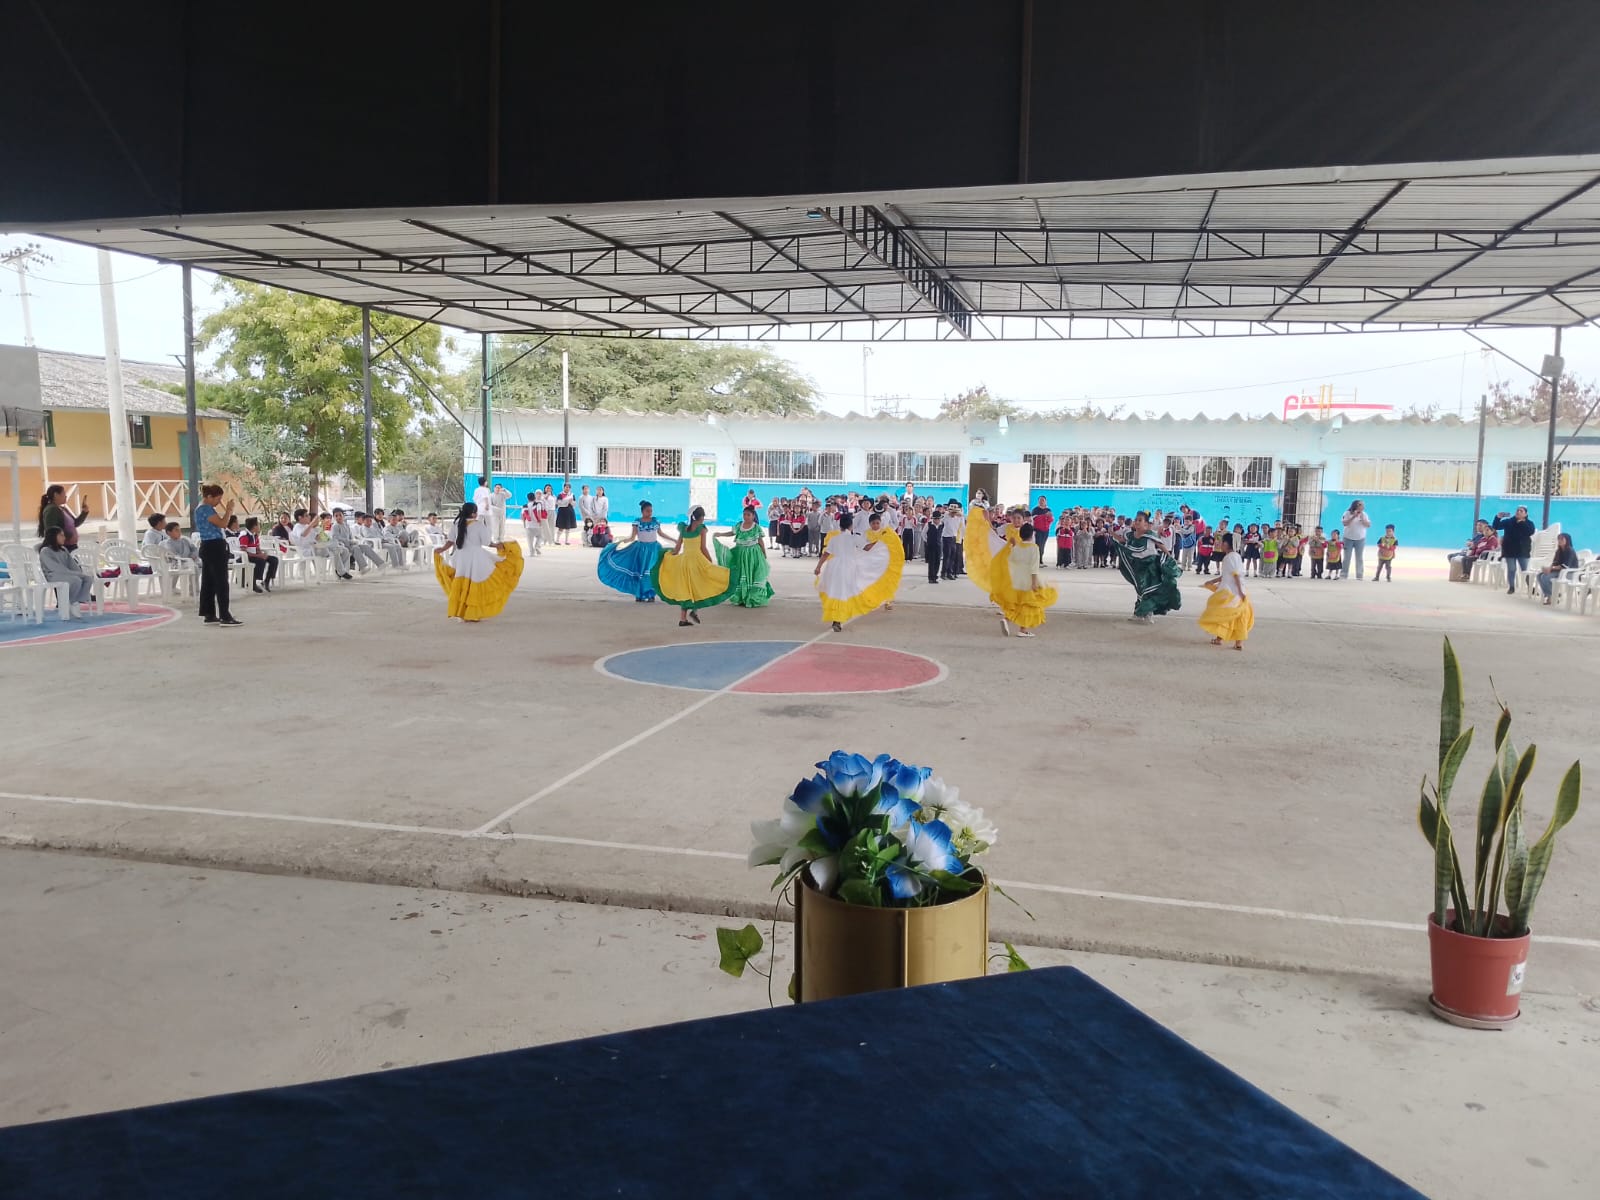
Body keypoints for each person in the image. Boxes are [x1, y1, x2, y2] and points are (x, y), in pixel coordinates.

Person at [814, 510, 905, 633]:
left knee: (836, 592)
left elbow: (826, 554)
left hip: (833, 567)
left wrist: (818, 567)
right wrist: (880, 542)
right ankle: (839, 618)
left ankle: (837, 619)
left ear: (840, 525)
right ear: (851, 526)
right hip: (848, 567)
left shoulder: (834, 539)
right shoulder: (853, 538)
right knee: (845, 592)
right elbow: (867, 548)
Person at [434, 501, 524, 622]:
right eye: (476, 512)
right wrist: (499, 545)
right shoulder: (478, 525)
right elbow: (486, 542)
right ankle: (472, 613)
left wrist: (441, 549)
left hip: (460, 557)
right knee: (476, 584)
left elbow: (450, 541)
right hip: (476, 557)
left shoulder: (457, 523)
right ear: (473, 514)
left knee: (463, 585)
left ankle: (462, 612)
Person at [652, 506, 731, 627]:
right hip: (696, 561)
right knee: (699, 584)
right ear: (701, 517)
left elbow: (677, 548)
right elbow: (703, 548)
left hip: (684, 562)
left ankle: (684, 618)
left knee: (686, 588)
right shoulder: (702, 529)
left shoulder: (684, 529)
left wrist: (668, 555)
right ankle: (694, 611)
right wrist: (709, 560)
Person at [991, 514, 1058, 637]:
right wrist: (1034, 582)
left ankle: (1007, 619)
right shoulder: (1034, 548)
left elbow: (1011, 560)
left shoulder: (1016, 548)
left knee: (1018, 602)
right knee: (1028, 604)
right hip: (1029, 579)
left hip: (1017, 579)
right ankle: (1023, 630)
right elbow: (1034, 566)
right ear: (1032, 535)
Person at [1112, 511, 1183, 624]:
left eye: (1140, 520)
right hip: (1138, 566)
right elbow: (1123, 541)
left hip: (1150, 566)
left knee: (1147, 589)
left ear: (1146, 523)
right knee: (1140, 589)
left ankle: (1147, 612)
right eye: (1136, 520)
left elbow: (1161, 545)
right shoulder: (1130, 535)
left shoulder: (1150, 534)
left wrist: (1170, 557)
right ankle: (1140, 612)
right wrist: (1112, 534)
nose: (1137, 522)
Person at [193, 484, 240, 627]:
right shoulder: (206, 509)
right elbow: (223, 524)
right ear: (209, 497)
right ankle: (225, 615)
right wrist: (229, 510)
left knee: (209, 581)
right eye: (217, 499)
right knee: (221, 581)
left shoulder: (200, 508)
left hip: (208, 546)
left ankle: (209, 614)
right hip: (214, 546)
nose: (219, 502)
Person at [1197, 533, 1254, 651]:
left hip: (1231, 592)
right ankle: (1237, 642)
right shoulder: (1235, 556)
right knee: (1236, 616)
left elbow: (1236, 575)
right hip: (1237, 590)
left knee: (1224, 614)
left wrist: (1239, 592)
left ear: (1227, 544)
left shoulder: (1229, 557)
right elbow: (1227, 575)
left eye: (1222, 542)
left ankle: (1221, 639)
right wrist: (1212, 581)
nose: (1219, 544)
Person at [713, 506, 774, 608]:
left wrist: (764, 553)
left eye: (748, 515)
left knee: (752, 573)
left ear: (753, 516)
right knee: (741, 574)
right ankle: (740, 596)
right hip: (740, 554)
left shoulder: (756, 527)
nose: (746, 517)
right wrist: (720, 534)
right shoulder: (739, 525)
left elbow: (760, 541)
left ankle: (752, 596)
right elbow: (732, 533)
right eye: (744, 514)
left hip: (753, 554)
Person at [36, 526, 98, 619]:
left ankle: (75, 600)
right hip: (53, 575)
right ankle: (73, 602)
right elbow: (55, 568)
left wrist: (80, 573)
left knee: (88, 579)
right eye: (61, 535)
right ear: (53, 536)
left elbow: (72, 565)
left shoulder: (64, 550)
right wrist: (76, 574)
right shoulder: (45, 551)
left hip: (67, 574)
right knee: (76, 580)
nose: (64, 538)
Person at [1492, 505, 1537, 594]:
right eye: (1517, 510)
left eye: (1521, 511)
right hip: (1509, 550)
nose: (1518, 512)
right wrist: (1498, 517)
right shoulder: (1509, 521)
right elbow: (1496, 526)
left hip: (1523, 551)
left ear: (1525, 514)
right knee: (1511, 569)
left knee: (1525, 570)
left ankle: (1530, 587)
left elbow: (1531, 532)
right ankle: (1511, 587)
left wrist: (1522, 523)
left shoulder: (1529, 523)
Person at [36, 484, 90, 552]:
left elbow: (75, 523)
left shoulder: (62, 509)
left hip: (71, 546)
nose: (66, 496)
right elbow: (51, 530)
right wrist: (67, 536)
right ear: (56, 495)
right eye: (64, 493)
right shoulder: (51, 510)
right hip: (62, 548)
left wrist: (84, 512)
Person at [1536, 533, 1580, 605]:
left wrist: (1551, 568)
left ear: (1567, 540)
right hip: (1560, 571)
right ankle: (1549, 596)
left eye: (1562, 539)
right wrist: (1548, 568)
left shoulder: (1570, 550)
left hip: (1569, 573)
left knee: (1545, 577)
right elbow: (1555, 562)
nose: (1559, 541)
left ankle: (1553, 597)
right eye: (1558, 539)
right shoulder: (1558, 551)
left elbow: (1565, 566)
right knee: (1539, 575)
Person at [239, 517, 278, 593]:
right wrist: (259, 556)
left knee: (274, 560)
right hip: (246, 557)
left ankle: (266, 581)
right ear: (254, 526)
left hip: (255, 555)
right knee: (261, 561)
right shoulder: (245, 536)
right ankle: (253, 583)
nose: (260, 526)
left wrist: (261, 554)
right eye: (258, 525)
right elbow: (244, 551)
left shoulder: (255, 535)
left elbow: (257, 548)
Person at [1341, 500, 1372, 581]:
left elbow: (1368, 525)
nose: (1363, 507)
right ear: (1356, 505)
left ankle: (1359, 575)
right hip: (1348, 538)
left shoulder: (1364, 514)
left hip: (1360, 539)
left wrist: (1362, 519)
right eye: (1361, 505)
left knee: (1359, 558)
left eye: (1363, 505)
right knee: (1347, 557)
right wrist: (1353, 516)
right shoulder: (1347, 513)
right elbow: (1344, 523)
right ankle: (1344, 574)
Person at [522, 492, 547, 556]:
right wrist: (540, 521)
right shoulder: (538, 504)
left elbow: (523, 516)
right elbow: (539, 513)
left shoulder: (524, 506)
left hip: (528, 525)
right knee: (540, 537)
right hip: (536, 524)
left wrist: (524, 524)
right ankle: (537, 546)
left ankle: (531, 552)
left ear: (527, 498)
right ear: (534, 498)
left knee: (530, 540)